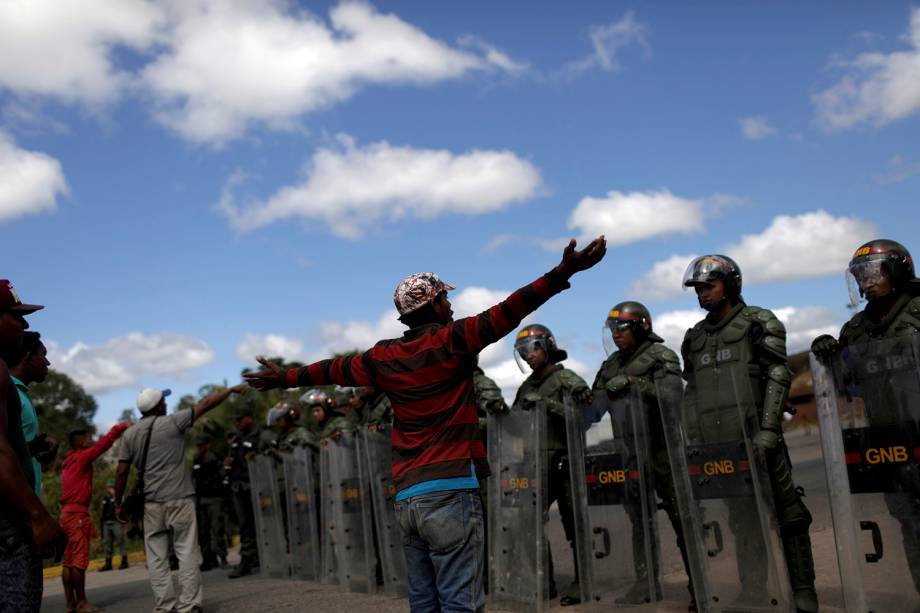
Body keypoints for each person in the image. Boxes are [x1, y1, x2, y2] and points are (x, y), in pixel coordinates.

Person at [245, 236, 607, 613]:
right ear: (433, 304)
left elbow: (329, 370)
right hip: (451, 490)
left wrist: (283, 378)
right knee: (459, 602)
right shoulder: (454, 340)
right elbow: (512, 308)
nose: (450, 304)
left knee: (423, 602)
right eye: (445, 298)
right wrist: (564, 271)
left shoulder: (382, 357)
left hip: (408, 499)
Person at [681, 255, 817, 613]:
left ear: (730, 285)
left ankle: (804, 592)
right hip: (719, 446)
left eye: (708, 286)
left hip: (758, 435)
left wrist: (769, 429)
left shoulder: (758, 321)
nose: (702, 294)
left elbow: (777, 373)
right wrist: (692, 436)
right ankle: (754, 590)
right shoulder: (694, 338)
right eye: (697, 288)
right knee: (742, 521)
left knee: (790, 515)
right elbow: (691, 391)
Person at [812, 238, 920, 598]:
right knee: (909, 525)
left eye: (875, 271)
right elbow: (850, 390)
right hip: (889, 443)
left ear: (898, 270)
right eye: (860, 274)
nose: (866, 280)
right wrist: (831, 358)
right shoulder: (855, 331)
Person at [592, 301, 694, 609]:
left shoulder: (661, 356)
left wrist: (637, 383)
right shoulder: (610, 365)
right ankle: (645, 584)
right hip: (630, 452)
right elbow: (594, 408)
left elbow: (673, 397)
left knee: (683, 519)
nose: (616, 336)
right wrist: (583, 399)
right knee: (639, 520)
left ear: (640, 326)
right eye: (612, 330)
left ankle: (697, 583)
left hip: (664, 449)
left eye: (621, 328)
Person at [114, 384, 248, 613]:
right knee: (186, 551)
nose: (166, 404)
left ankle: (165, 607)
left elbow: (122, 472)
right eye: (163, 401)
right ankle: (189, 606)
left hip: (151, 504)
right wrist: (230, 391)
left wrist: (118, 504)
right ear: (157, 406)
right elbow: (205, 404)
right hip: (180, 499)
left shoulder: (130, 435)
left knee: (157, 558)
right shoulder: (173, 421)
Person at [512, 323, 593, 605]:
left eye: (532, 348)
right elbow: (514, 426)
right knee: (529, 524)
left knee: (575, 525)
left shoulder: (566, 379)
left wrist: (548, 405)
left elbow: (584, 417)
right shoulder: (525, 387)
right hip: (534, 465)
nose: (527, 355)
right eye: (522, 351)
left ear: (547, 346)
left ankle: (583, 583)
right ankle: (543, 582)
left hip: (565, 461)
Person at [0, 280, 64, 613]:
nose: (24, 325)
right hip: (9, 529)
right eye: (16, 316)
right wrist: (38, 517)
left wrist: (32, 450)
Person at [60, 423, 131, 613]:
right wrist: (121, 427)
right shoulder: (81, 458)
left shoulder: (67, 462)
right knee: (79, 560)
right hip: (77, 516)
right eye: (89, 438)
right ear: (82, 441)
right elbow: (104, 445)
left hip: (66, 515)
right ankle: (82, 602)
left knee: (68, 560)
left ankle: (70, 604)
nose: (92, 440)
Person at [9, 331, 56, 496]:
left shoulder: (22, 394)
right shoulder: (9, 393)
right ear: (28, 357)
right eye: (43, 355)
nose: (47, 362)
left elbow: (13, 447)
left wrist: (34, 448)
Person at [225, 404, 262, 579]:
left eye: (240, 419)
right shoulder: (236, 439)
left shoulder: (259, 436)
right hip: (239, 486)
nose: (238, 423)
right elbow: (232, 462)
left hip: (255, 486)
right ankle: (248, 559)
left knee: (260, 523)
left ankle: (258, 557)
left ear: (250, 418)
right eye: (236, 420)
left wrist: (257, 459)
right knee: (245, 525)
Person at [191, 433, 227, 571]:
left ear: (207, 445)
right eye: (198, 445)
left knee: (217, 528)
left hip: (214, 498)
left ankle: (222, 557)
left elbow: (222, 475)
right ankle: (208, 559)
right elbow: (193, 478)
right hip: (201, 500)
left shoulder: (215, 457)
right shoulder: (196, 459)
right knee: (203, 531)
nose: (199, 448)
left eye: (202, 445)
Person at [99, 480, 128, 571]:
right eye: (108, 487)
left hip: (116, 522)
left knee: (120, 540)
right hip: (106, 523)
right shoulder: (104, 498)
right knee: (107, 543)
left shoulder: (118, 497)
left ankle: (124, 561)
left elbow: (122, 508)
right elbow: (101, 511)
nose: (110, 489)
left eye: (111, 487)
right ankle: (108, 563)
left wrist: (115, 495)